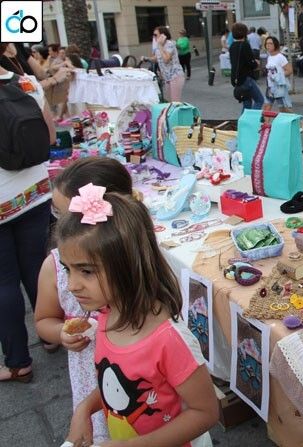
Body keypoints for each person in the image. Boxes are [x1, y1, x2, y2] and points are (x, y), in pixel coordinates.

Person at [60, 191, 219, 446]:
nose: (71, 285)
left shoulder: (169, 340)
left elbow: (206, 413)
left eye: (86, 271)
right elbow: (118, 383)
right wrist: (84, 409)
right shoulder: (107, 315)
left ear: (127, 265)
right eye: (67, 269)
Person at [34, 157, 135, 443]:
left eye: (69, 217)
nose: (60, 226)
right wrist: (61, 333)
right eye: (56, 214)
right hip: (90, 376)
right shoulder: (54, 267)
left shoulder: (134, 261)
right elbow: (43, 320)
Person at [0, 46, 57, 382]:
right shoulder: (26, 83)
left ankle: (18, 362)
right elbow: (50, 136)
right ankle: (51, 335)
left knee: (4, 282)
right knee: (35, 266)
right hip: (34, 194)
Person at [230, 22, 264, 111]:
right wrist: (256, 63)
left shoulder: (232, 46)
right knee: (259, 100)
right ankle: (251, 118)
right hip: (246, 78)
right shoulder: (245, 45)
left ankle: (244, 119)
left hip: (237, 79)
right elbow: (251, 63)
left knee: (247, 104)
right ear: (244, 33)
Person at [150, 26, 185, 102]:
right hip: (167, 78)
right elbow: (157, 58)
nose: (154, 37)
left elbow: (166, 59)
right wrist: (146, 58)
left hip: (175, 76)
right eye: (153, 35)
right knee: (169, 102)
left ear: (163, 35)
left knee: (175, 103)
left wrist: (160, 46)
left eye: (155, 35)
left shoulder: (170, 44)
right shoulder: (158, 45)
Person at [263, 36, 293, 112]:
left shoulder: (280, 57)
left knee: (284, 109)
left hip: (279, 87)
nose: (268, 45)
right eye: (266, 44)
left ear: (275, 45)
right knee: (266, 107)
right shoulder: (269, 57)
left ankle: (297, 119)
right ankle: (265, 120)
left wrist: (278, 76)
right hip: (270, 87)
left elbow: (289, 70)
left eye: (270, 43)